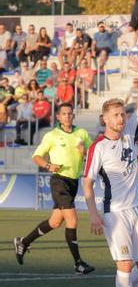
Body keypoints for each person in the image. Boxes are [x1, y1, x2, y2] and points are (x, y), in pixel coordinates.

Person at [82, 56, 138, 287]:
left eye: (123, 113)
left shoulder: (129, 134)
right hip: (114, 214)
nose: (121, 118)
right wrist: (93, 214)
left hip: (137, 209)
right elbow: (87, 182)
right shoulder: (98, 148)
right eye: (116, 114)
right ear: (104, 119)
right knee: (124, 264)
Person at [13, 103, 94, 275]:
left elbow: (94, 154)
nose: (67, 116)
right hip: (59, 182)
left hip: (73, 182)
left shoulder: (82, 133)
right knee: (72, 221)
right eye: (63, 113)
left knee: (55, 222)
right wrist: (48, 165)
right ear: (58, 117)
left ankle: (23, 242)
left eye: (70, 113)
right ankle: (78, 263)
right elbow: (37, 156)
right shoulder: (52, 136)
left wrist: (84, 151)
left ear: (73, 116)